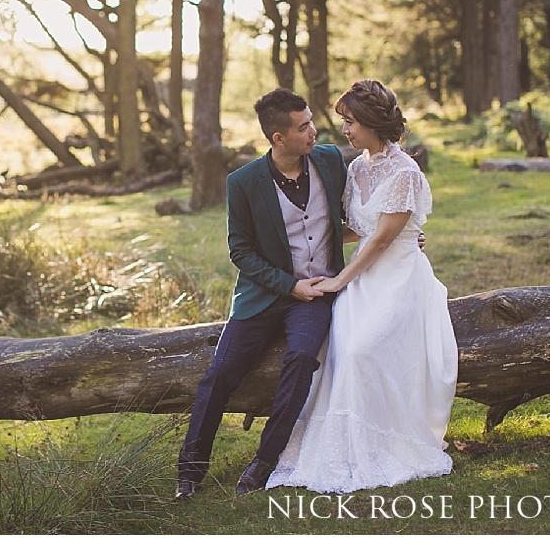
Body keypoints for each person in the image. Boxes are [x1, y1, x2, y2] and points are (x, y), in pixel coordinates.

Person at [266, 78, 458, 494]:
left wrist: (339, 279)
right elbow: (355, 229)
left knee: (360, 350)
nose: (345, 131)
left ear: (372, 122)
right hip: (363, 277)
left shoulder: (406, 172)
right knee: (337, 349)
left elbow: (385, 238)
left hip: (399, 278)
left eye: (350, 122)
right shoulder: (356, 167)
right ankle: (345, 445)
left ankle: (386, 441)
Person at [175, 87, 347, 499]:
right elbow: (241, 250)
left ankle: (264, 462)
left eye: (311, 122)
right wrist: (289, 285)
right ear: (278, 138)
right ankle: (190, 471)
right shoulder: (243, 181)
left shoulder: (330, 160)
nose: (314, 131)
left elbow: (353, 219)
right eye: (304, 126)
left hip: (319, 291)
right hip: (263, 297)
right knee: (219, 376)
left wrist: (400, 239)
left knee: (303, 357)